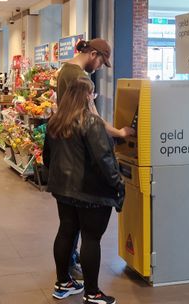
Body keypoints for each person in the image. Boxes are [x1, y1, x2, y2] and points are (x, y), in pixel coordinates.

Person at [56, 38, 135, 279]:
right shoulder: (81, 78)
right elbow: (93, 119)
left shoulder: (63, 71)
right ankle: (85, 282)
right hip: (82, 161)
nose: (100, 66)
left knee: (67, 227)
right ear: (93, 54)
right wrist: (120, 133)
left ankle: (65, 274)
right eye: (101, 61)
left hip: (65, 159)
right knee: (89, 232)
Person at [43, 78, 124, 304]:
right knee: (91, 239)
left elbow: (47, 157)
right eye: (93, 94)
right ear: (88, 96)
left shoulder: (55, 121)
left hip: (62, 189)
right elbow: (104, 159)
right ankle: (92, 293)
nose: (93, 98)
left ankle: (63, 283)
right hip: (90, 192)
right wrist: (118, 184)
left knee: (66, 232)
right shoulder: (91, 122)